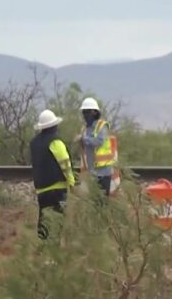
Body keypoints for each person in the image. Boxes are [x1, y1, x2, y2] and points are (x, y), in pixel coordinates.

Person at [30, 109, 75, 239]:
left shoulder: (34, 143)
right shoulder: (55, 141)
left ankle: (43, 245)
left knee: (44, 220)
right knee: (56, 222)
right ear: (54, 126)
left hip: (41, 189)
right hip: (57, 188)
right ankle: (53, 248)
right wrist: (71, 181)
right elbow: (65, 163)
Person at [79, 97, 115, 196]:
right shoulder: (84, 129)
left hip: (104, 171)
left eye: (87, 112)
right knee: (94, 200)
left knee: (103, 200)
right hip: (92, 172)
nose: (85, 115)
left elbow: (99, 141)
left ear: (94, 112)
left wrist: (83, 139)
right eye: (84, 112)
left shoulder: (101, 126)